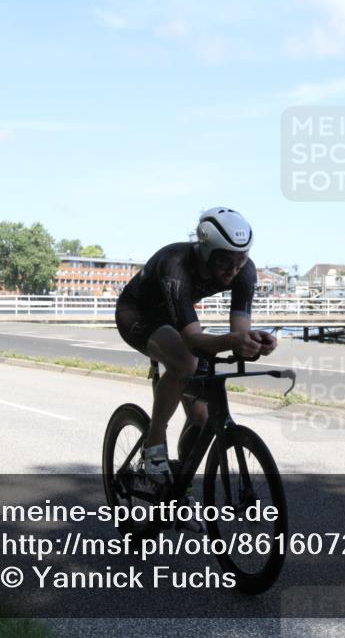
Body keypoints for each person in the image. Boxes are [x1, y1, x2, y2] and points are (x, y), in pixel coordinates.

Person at [115, 207, 277, 484]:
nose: (234, 269)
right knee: (185, 362)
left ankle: (181, 486)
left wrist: (252, 342)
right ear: (205, 252)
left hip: (175, 315)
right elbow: (193, 340)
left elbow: (238, 335)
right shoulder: (175, 263)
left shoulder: (245, 272)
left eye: (241, 259)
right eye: (225, 261)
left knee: (202, 417)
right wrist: (234, 340)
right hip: (138, 314)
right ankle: (153, 446)